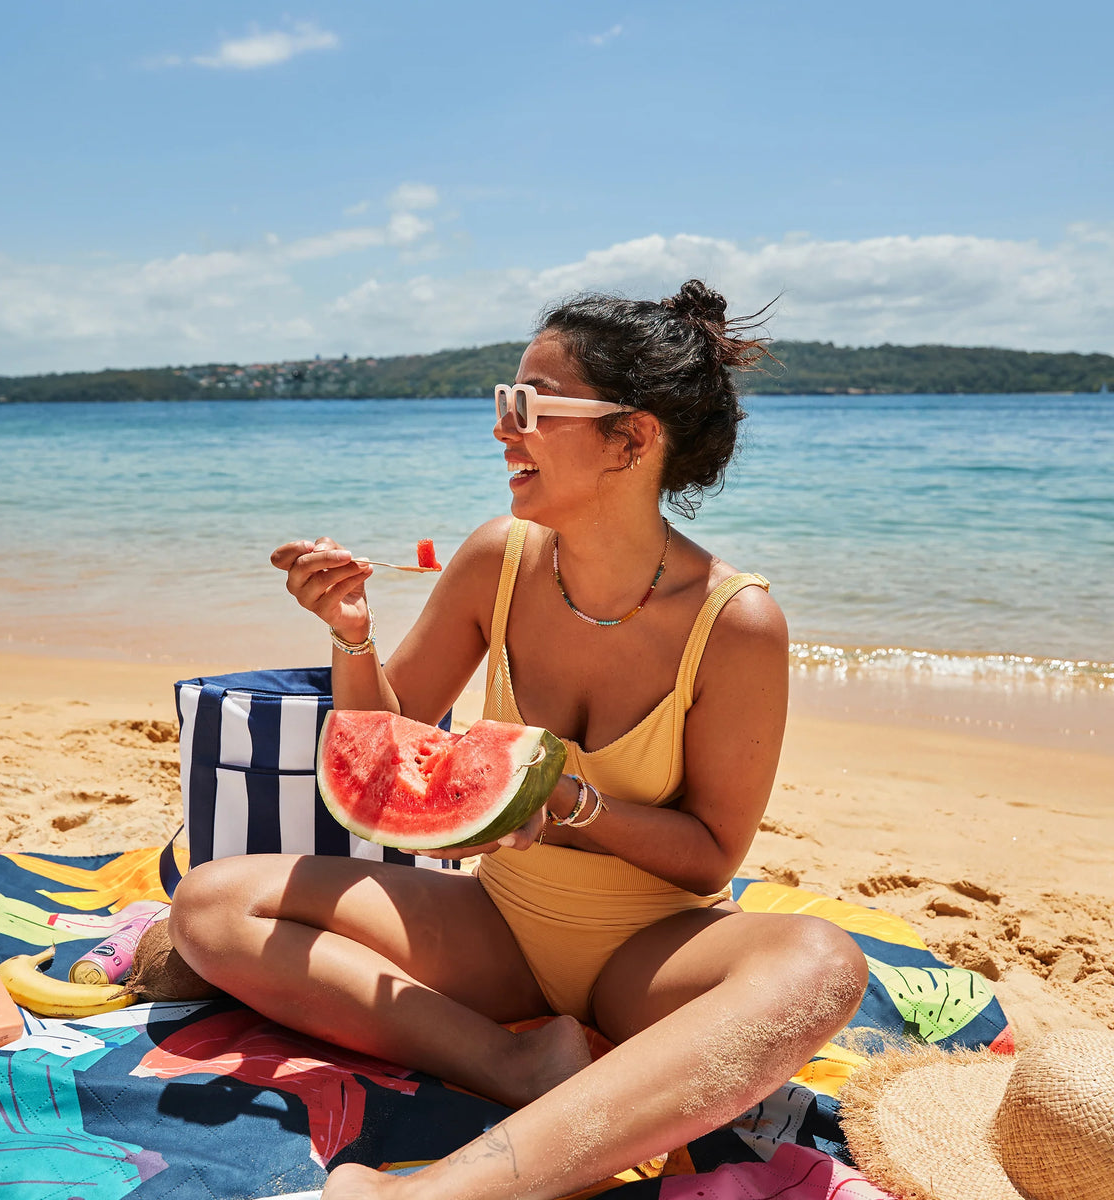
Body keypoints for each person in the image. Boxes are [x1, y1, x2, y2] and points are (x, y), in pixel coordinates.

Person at [168, 280, 870, 1200]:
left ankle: (438, 1192)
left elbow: (708, 862)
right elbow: (388, 746)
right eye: (506, 402)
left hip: (649, 952)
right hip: (496, 927)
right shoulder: (497, 557)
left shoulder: (735, 623)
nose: (503, 429)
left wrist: (568, 805)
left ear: (633, 436)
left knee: (823, 965)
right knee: (213, 907)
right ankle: (518, 1068)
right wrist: (350, 634)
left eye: (529, 406)